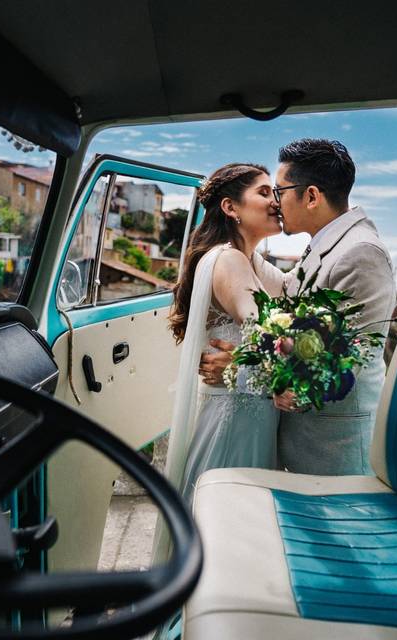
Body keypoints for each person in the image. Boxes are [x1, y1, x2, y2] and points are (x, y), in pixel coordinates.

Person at [199, 139, 397, 476]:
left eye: (279, 191)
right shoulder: (324, 246)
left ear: (311, 196)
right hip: (304, 444)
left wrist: (238, 370)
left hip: (337, 451)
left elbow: (343, 366)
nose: (276, 202)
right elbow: (279, 294)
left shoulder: (360, 254)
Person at [153, 163, 284, 562]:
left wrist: (240, 363)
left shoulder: (256, 264)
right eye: (264, 193)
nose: (276, 202)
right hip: (236, 422)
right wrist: (249, 363)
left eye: (276, 193)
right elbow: (267, 330)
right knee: (226, 541)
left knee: (235, 534)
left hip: (251, 415)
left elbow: (292, 304)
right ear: (231, 207)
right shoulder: (228, 261)